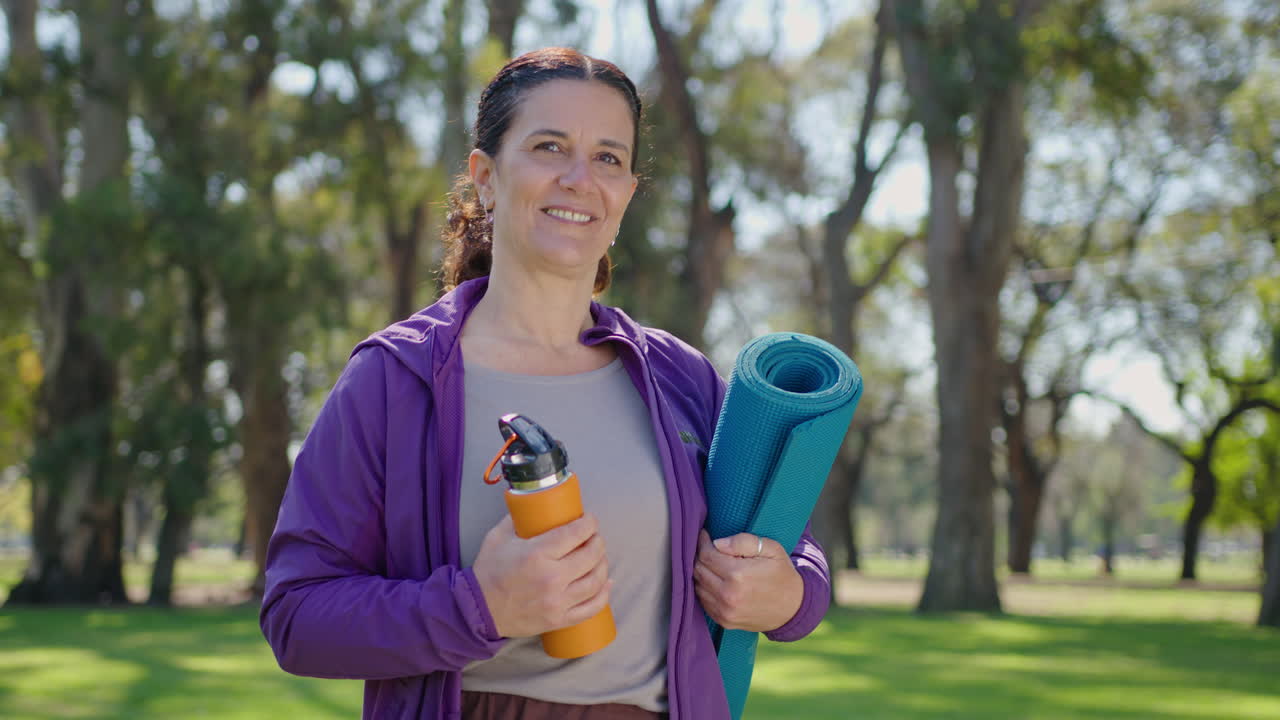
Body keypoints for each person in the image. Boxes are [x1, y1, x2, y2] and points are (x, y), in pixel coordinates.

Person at [259, 47, 830, 720]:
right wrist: (480, 607)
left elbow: (789, 545)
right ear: (486, 178)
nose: (579, 178)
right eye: (549, 146)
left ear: (625, 197)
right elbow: (298, 617)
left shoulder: (680, 377)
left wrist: (789, 594)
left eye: (609, 158)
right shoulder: (394, 378)